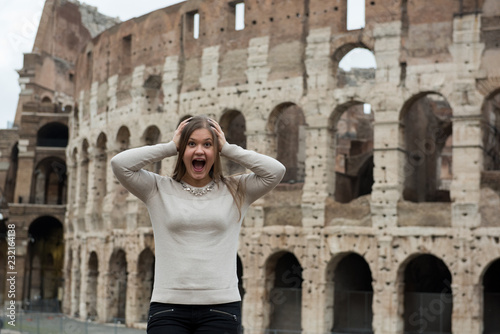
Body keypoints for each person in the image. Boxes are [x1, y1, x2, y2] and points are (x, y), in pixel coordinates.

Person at [111, 115, 285, 333]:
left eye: (208, 144)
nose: (199, 151)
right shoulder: (156, 188)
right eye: (191, 144)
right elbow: (120, 164)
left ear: (216, 151)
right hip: (168, 308)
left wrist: (229, 148)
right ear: (182, 150)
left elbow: (275, 171)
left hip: (220, 308)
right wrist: (170, 146)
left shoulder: (237, 189)